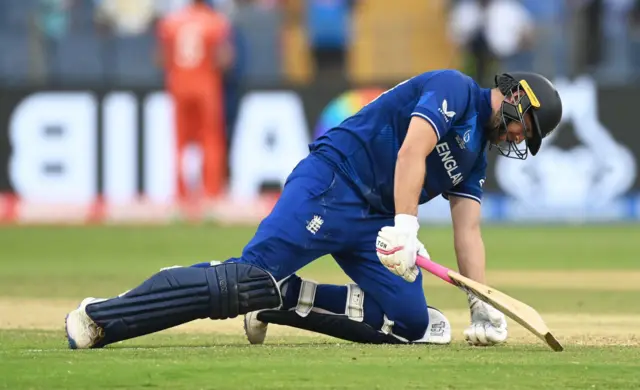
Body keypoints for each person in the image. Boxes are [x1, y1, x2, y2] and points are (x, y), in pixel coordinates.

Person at [64, 69, 563, 349]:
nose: (520, 138)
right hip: (332, 182)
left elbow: (469, 230)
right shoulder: (455, 89)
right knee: (247, 280)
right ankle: (104, 318)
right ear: (518, 96)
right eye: (527, 127)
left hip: (374, 221)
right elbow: (412, 151)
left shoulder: (477, 157)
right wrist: (407, 228)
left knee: (414, 326)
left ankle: (282, 300)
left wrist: (483, 301)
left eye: (528, 138)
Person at [156, 0, 234, 210]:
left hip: (179, 85)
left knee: (180, 142)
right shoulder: (216, 21)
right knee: (210, 139)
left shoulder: (171, 21)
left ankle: (181, 195)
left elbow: (161, 58)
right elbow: (224, 57)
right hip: (206, 86)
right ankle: (211, 193)